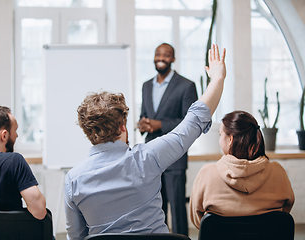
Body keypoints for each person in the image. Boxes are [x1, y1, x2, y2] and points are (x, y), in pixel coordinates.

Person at [64, 44, 226, 240]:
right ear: (122, 126)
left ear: (87, 131)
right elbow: (193, 121)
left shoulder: (73, 180)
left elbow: (76, 237)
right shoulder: (148, 157)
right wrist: (217, 79)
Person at [189, 110, 295, 229]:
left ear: (230, 139)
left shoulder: (207, 173)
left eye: (220, 135)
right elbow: (285, 211)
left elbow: (198, 219)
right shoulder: (278, 172)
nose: (219, 140)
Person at [137, 43, 198, 235]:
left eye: (166, 55)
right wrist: (143, 124)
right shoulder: (146, 85)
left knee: (177, 208)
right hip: (151, 156)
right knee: (155, 209)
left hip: (175, 157)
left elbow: (190, 123)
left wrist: (160, 125)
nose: (161, 58)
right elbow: (145, 114)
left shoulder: (187, 86)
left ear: (173, 59)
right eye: (158, 54)